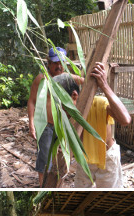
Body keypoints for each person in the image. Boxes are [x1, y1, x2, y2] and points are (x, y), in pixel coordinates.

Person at [50, 63, 131, 187]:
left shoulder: (98, 103)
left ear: (74, 95)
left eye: (59, 101)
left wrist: (104, 86)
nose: (57, 107)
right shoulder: (64, 113)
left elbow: (125, 119)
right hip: (84, 158)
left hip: (107, 158)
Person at [27, 47, 84, 187]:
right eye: (55, 63)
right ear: (49, 63)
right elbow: (32, 101)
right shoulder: (41, 79)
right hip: (45, 125)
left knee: (62, 159)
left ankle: (57, 186)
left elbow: (87, 82)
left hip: (63, 127)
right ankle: (43, 187)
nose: (59, 66)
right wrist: (31, 123)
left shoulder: (69, 79)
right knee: (45, 159)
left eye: (61, 63)